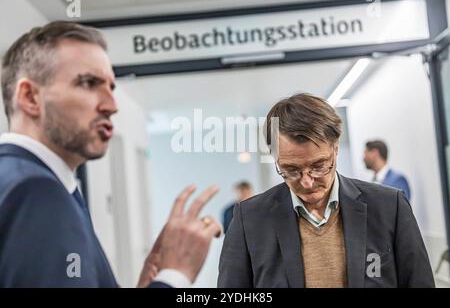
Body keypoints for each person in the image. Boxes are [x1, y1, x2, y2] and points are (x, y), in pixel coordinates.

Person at [0, 21, 221, 288]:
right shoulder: (36, 191)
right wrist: (175, 274)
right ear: (30, 97)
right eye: (89, 83)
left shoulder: (21, 179)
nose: (111, 106)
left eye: (110, 87)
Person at [218, 93, 434, 288]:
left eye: (319, 166)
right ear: (275, 159)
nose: (307, 182)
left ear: (335, 148)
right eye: (290, 170)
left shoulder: (390, 207)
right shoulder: (249, 220)